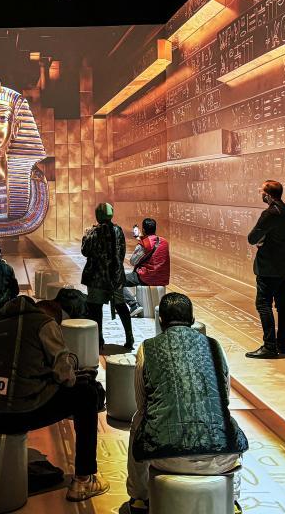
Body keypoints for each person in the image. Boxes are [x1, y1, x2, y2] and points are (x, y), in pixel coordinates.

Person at [0, 294, 110, 502]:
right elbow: (65, 376)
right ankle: (84, 479)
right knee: (86, 395)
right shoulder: (45, 323)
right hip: (11, 414)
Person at [126, 292, 247, 514]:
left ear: (160, 320)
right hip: (220, 456)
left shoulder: (148, 348)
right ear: (192, 320)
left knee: (138, 420)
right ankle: (232, 500)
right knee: (227, 421)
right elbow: (225, 398)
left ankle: (139, 498)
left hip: (165, 455)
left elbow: (142, 403)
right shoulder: (215, 346)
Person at [245, 180, 285, 358]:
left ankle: (269, 346)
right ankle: (282, 343)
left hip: (270, 267)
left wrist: (261, 240)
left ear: (267, 195)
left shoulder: (270, 213)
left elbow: (252, 238)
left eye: (262, 191)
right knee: (282, 304)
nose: (260, 193)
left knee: (263, 304)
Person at [81, 202, 133, 350]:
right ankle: (129, 337)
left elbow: (85, 251)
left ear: (97, 215)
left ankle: (98, 339)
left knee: (95, 308)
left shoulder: (93, 232)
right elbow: (122, 251)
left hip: (96, 278)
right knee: (121, 306)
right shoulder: (118, 230)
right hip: (115, 276)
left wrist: (86, 236)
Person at [124, 218, 170, 317]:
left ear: (143, 230)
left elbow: (133, 262)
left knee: (116, 281)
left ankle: (133, 305)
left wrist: (141, 242)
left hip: (146, 277)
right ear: (155, 229)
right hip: (162, 279)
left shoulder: (145, 243)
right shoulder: (165, 242)